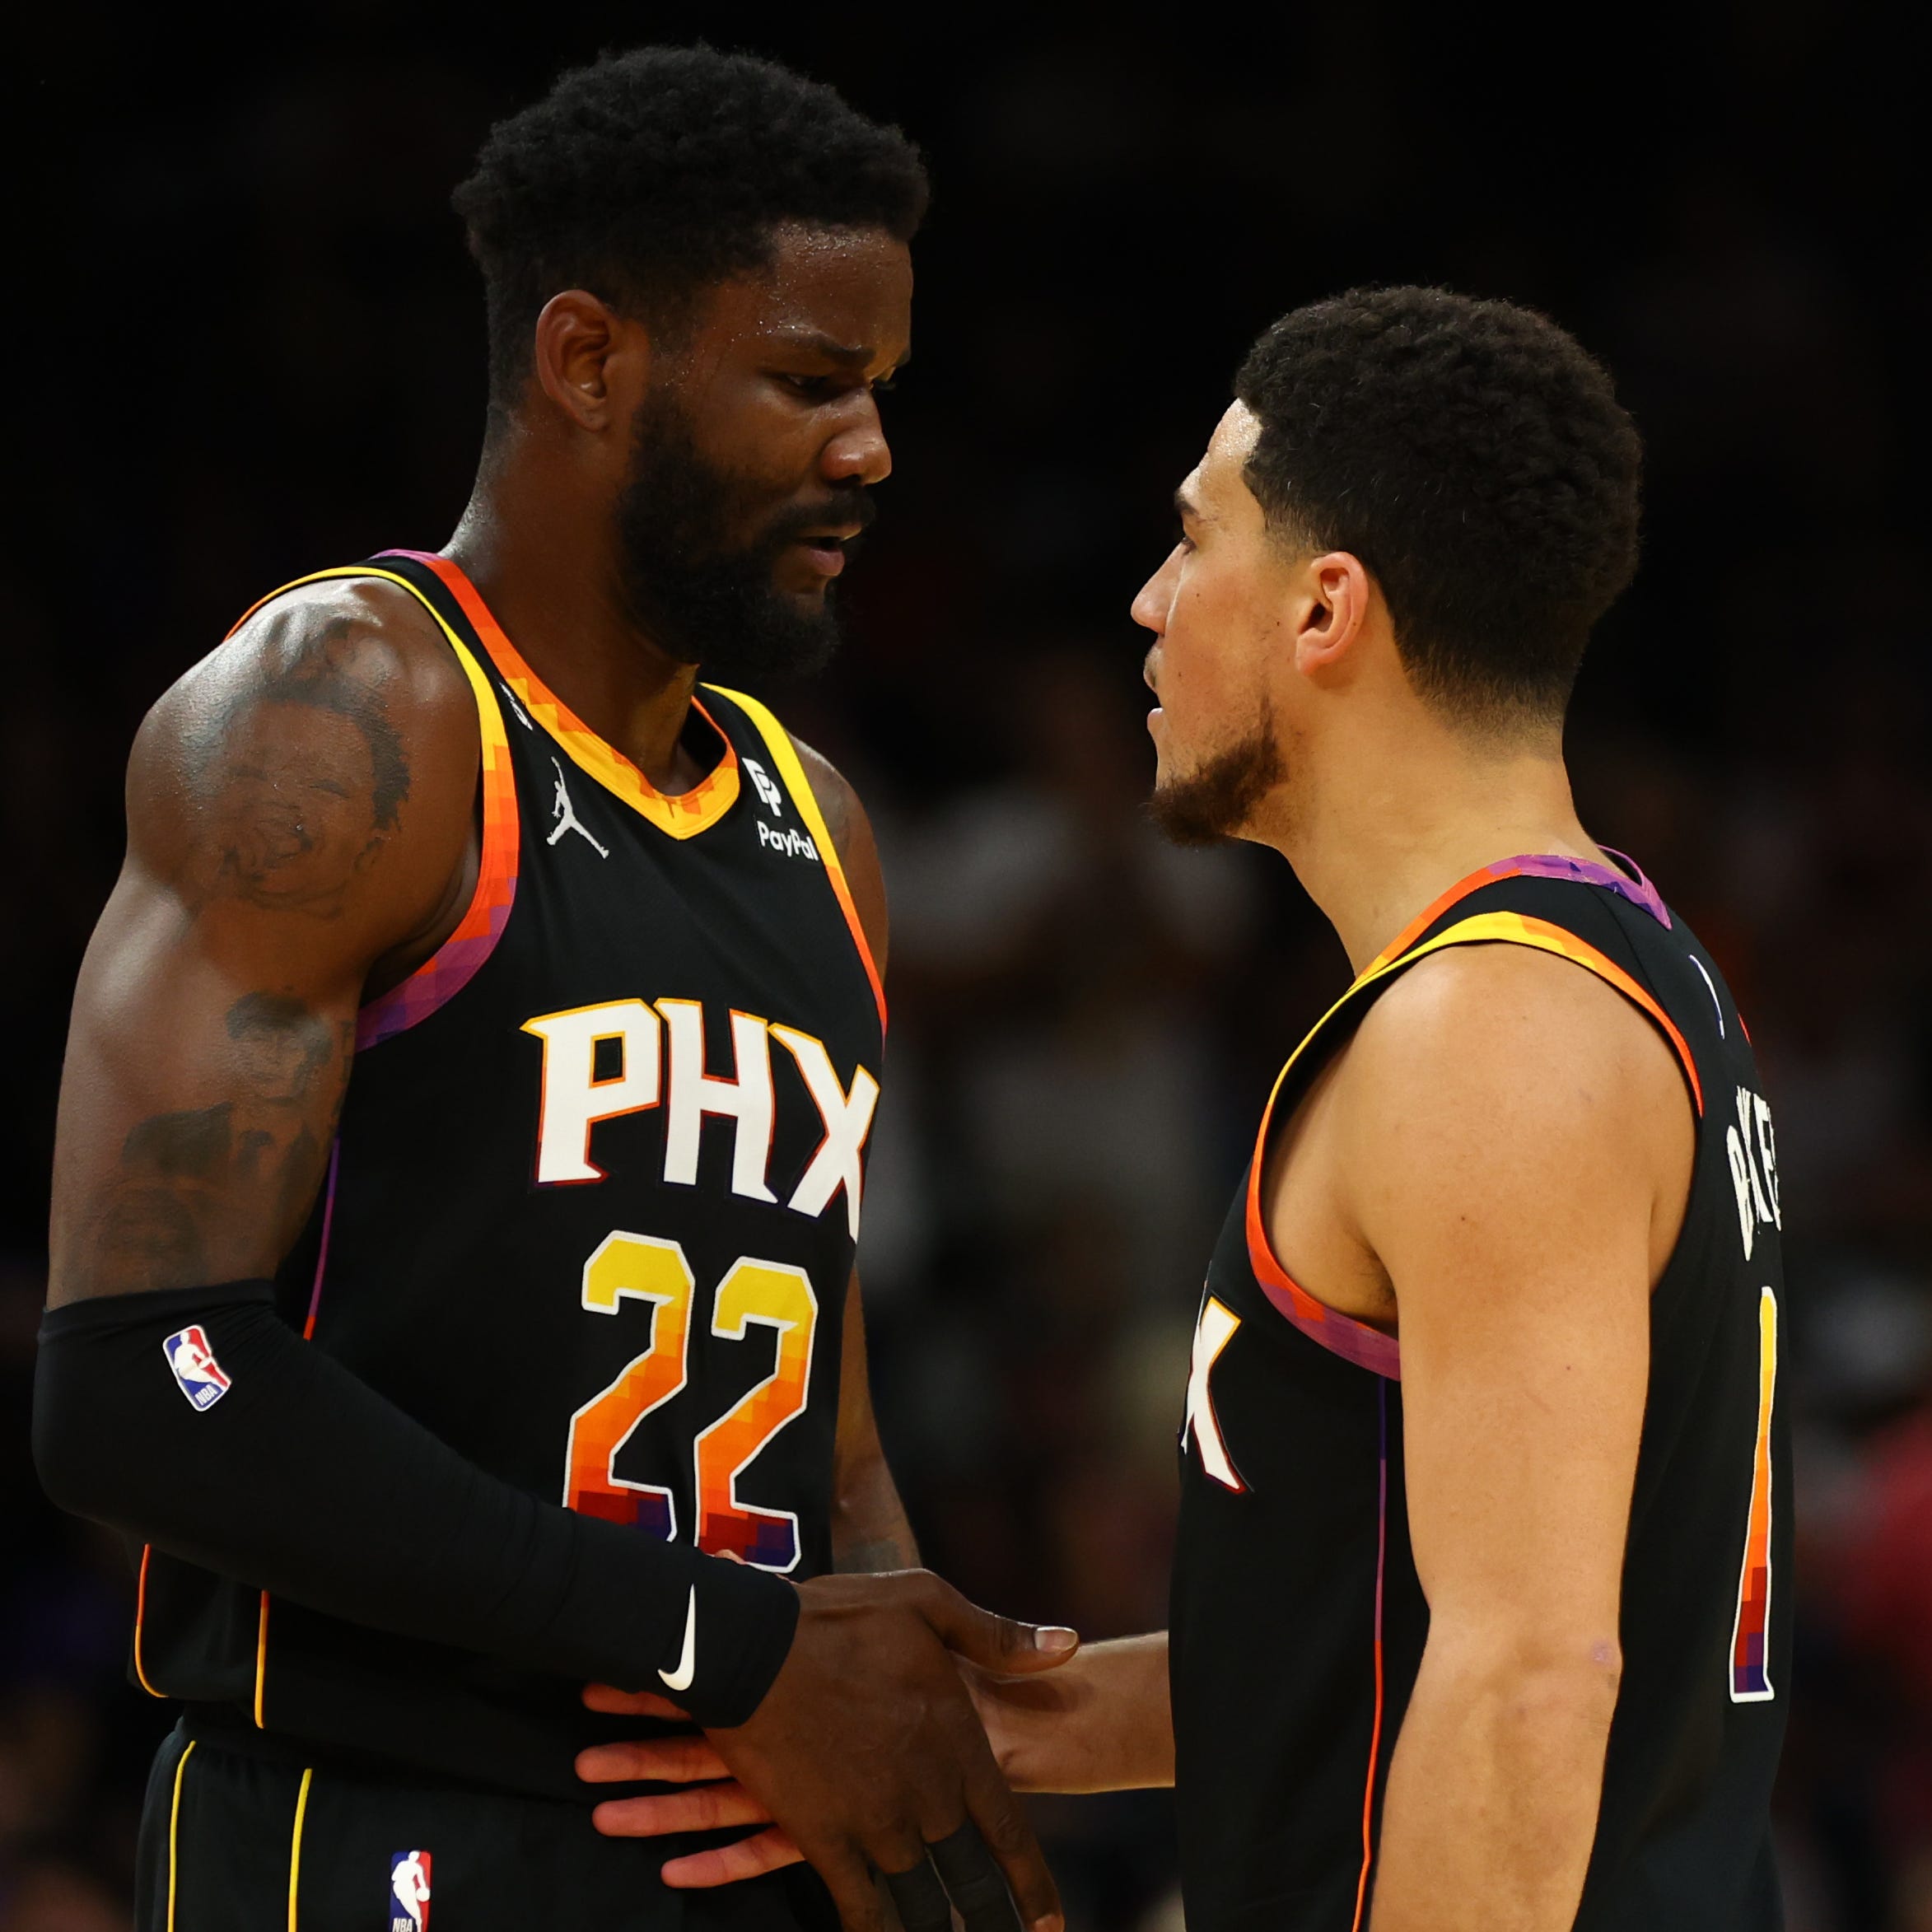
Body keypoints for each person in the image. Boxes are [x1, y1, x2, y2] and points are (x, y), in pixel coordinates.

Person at [582, 287, 1791, 1931]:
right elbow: (1394, 1637)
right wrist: (993, 1720)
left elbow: (1526, 1684)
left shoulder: (1488, 1033)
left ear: (1324, 610)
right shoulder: (1619, 968)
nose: (1149, 605)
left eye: (1192, 542)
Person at [33, 46, 1076, 1932]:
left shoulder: (817, 829)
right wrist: (717, 1646)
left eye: (884, 392)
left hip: (734, 1830)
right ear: (591, 362)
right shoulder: (346, 718)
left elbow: (819, 1434)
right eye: (811, 384)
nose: (873, 453)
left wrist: (916, 1815)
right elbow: (138, 1386)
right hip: (381, 1824)